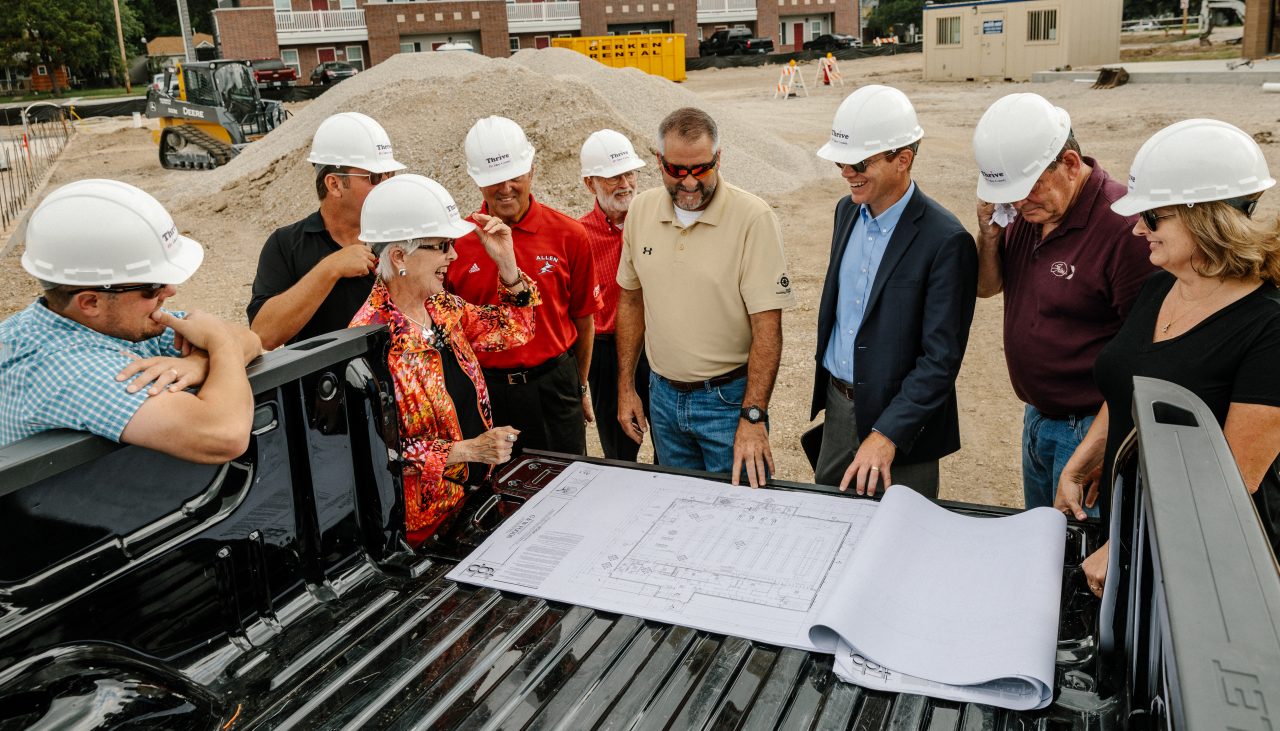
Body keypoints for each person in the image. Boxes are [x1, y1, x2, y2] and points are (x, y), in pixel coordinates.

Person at [1053, 119, 1280, 596]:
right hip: (1131, 527)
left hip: (1197, 564)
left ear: (1206, 215)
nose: (1137, 229)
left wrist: (1129, 549)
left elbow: (1234, 482)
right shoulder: (1161, 286)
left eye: (1152, 216)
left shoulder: (1269, 327)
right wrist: (1083, 460)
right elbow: (1126, 386)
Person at [972, 93, 1155, 511]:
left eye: (1029, 188)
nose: (1018, 203)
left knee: (1073, 554)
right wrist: (989, 237)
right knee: (1041, 540)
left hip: (1090, 428)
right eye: (1012, 194)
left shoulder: (1124, 230)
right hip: (1036, 418)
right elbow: (987, 287)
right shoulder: (1024, 213)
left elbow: (1145, 356)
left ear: (1070, 164)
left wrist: (1101, 447)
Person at [0, 179, 262, 463]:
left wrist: (196, 363)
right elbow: (224, 436)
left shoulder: (104, 323)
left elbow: (251, 340)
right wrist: (219, 344)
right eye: (152, 287)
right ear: (91, 302)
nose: (171, 291)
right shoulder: (68, 369)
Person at [350, 174, 540, 545]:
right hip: (423, 529)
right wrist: (466, 450)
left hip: (472, 499)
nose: (453, 255)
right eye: (441, 246)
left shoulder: (441, 307)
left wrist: (508, 265)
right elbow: (375, 450)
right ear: (400, 256)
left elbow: (516, 329)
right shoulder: (370, 341)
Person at [810, 85, 978, 499]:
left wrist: (887, 434)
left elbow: (940, 360)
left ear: (903, 159)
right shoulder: (845, 211)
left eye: (859, 162)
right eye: (841, 161)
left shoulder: (946, 240)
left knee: (901, 540)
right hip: (839, 407)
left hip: (902, 427)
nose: (846, 172)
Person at [616, 107, 796, 487]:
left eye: (701, 168)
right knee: (677, 510)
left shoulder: (753, 219)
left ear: (719, 157)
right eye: (677, 170)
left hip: (728, 403)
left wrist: (753, 416)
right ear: (658, 161)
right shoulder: (640, 212)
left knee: (739, 518)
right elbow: (631, 300)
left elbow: (767, 327)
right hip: (662, 399)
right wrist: (626, 387)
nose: (690, 182)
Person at [446, 116, 601, 456]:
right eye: (493, 180)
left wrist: (579, 385)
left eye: (514, 176)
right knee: (497, 491)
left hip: (554, 385)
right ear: (475, 180)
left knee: (567, 483)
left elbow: (583, 319)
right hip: (487, 389)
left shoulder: (569, 235)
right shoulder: (456, 243)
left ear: (531, 169)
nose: (505, 188)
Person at [248, 112, 406, 349]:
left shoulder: (404, 236)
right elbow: (264, 335)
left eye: (389, 175)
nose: (386, 185)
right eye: (374, 177)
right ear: (334, 184)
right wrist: (330, 268)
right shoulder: (286, 244)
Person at [578, 128, 654, 462]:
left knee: (670, 445)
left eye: (629, 173)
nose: (624, 183)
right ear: (589, 183)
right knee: (619, 452)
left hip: (656, 345)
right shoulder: (579, 236)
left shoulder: (657, 221)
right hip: (606, 353)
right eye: (612, 177)